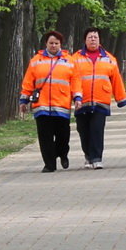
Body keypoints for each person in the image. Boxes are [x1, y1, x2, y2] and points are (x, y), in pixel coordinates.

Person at [19, 30, 83, 172]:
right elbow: (28, 82)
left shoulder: (69, 61)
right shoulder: (36, 61)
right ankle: (49, 164)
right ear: (46, 44)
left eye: (56, 43)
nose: (53, 45)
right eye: (51, 43)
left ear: (61, 44)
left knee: (63, 135)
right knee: (45, 137)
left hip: (61, 104)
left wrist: (77, 97)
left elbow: (76, 81)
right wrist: (23, 100)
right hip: (41, 105)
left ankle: (63, 153)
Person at [70, 27, 126, 169]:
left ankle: (97, 158)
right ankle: (88, 156)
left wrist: (121, 99)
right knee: (83, 130)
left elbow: (116, 79)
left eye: (95, 37)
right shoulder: (75, 58)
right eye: (90, 37)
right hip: (81, 101)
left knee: (97, 129)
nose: (93, 40)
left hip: (101, 100)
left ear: (100, 40)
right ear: (85, 40)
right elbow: (71, 79)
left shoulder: (109, 59)